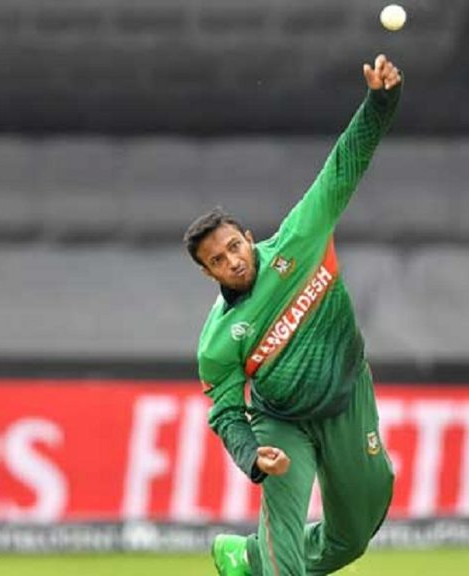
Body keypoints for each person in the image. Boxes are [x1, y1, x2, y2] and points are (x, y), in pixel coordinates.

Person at [183, 54, 403, 576]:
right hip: (280, 421)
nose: (233, 261)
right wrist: (251, 455)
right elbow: (225, 414)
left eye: (234, 247)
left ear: (247, 236)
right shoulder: (218, 341)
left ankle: (245, 557)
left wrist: (381, 101)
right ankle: (273, 557)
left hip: (346, 395)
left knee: (352, 538)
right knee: (284, 530)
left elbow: (346, 163)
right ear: (207, 273)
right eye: (218, 261)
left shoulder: (300, 238)